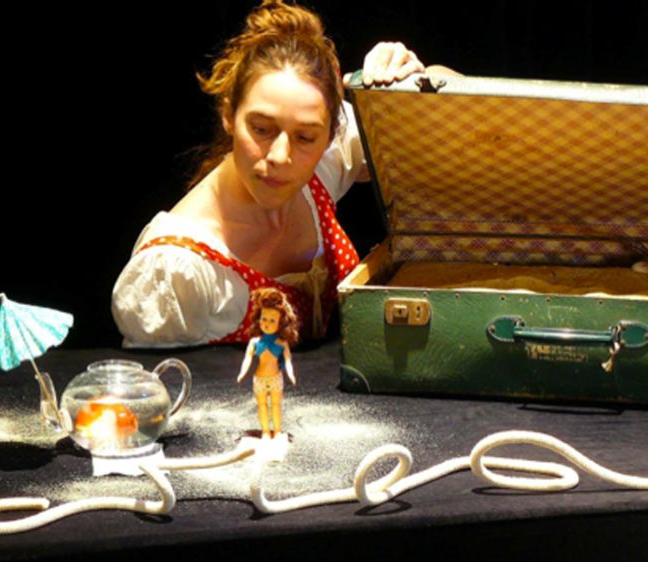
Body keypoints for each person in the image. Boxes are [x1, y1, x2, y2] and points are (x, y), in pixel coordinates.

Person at [111, 0, 429, 347]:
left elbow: (445, 141)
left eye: (305, 138)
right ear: (229, 115)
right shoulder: (175, 271)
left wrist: (415, 87)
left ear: (329, 136)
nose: (280, 156)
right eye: (261, 129)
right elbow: (168, 379)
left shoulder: (325, 162)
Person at [236, 288, 298, 439]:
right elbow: (247, 358)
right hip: (259, 379)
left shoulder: (282, 343)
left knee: (276, 406)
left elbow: (288, 360)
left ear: (280, 323)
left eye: (272, 320)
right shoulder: (255, 342)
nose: (267, 324)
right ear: (258, 319)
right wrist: (242, 372)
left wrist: (291, 374)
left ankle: (277, 431)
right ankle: (265, 431)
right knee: (262, 406)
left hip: (276, 378)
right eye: (264, 319)